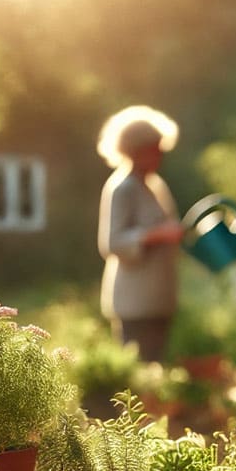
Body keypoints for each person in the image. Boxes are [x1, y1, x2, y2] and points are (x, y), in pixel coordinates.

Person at [96, 105, 184, 363]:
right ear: (136, 150)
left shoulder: (154, 185)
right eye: (154, 149)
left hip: (159, 297)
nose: (160, 155)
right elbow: (112, 243)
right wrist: (156, 235)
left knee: (155, 365)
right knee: (137, 368)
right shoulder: (122, 188)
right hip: (135, 302)